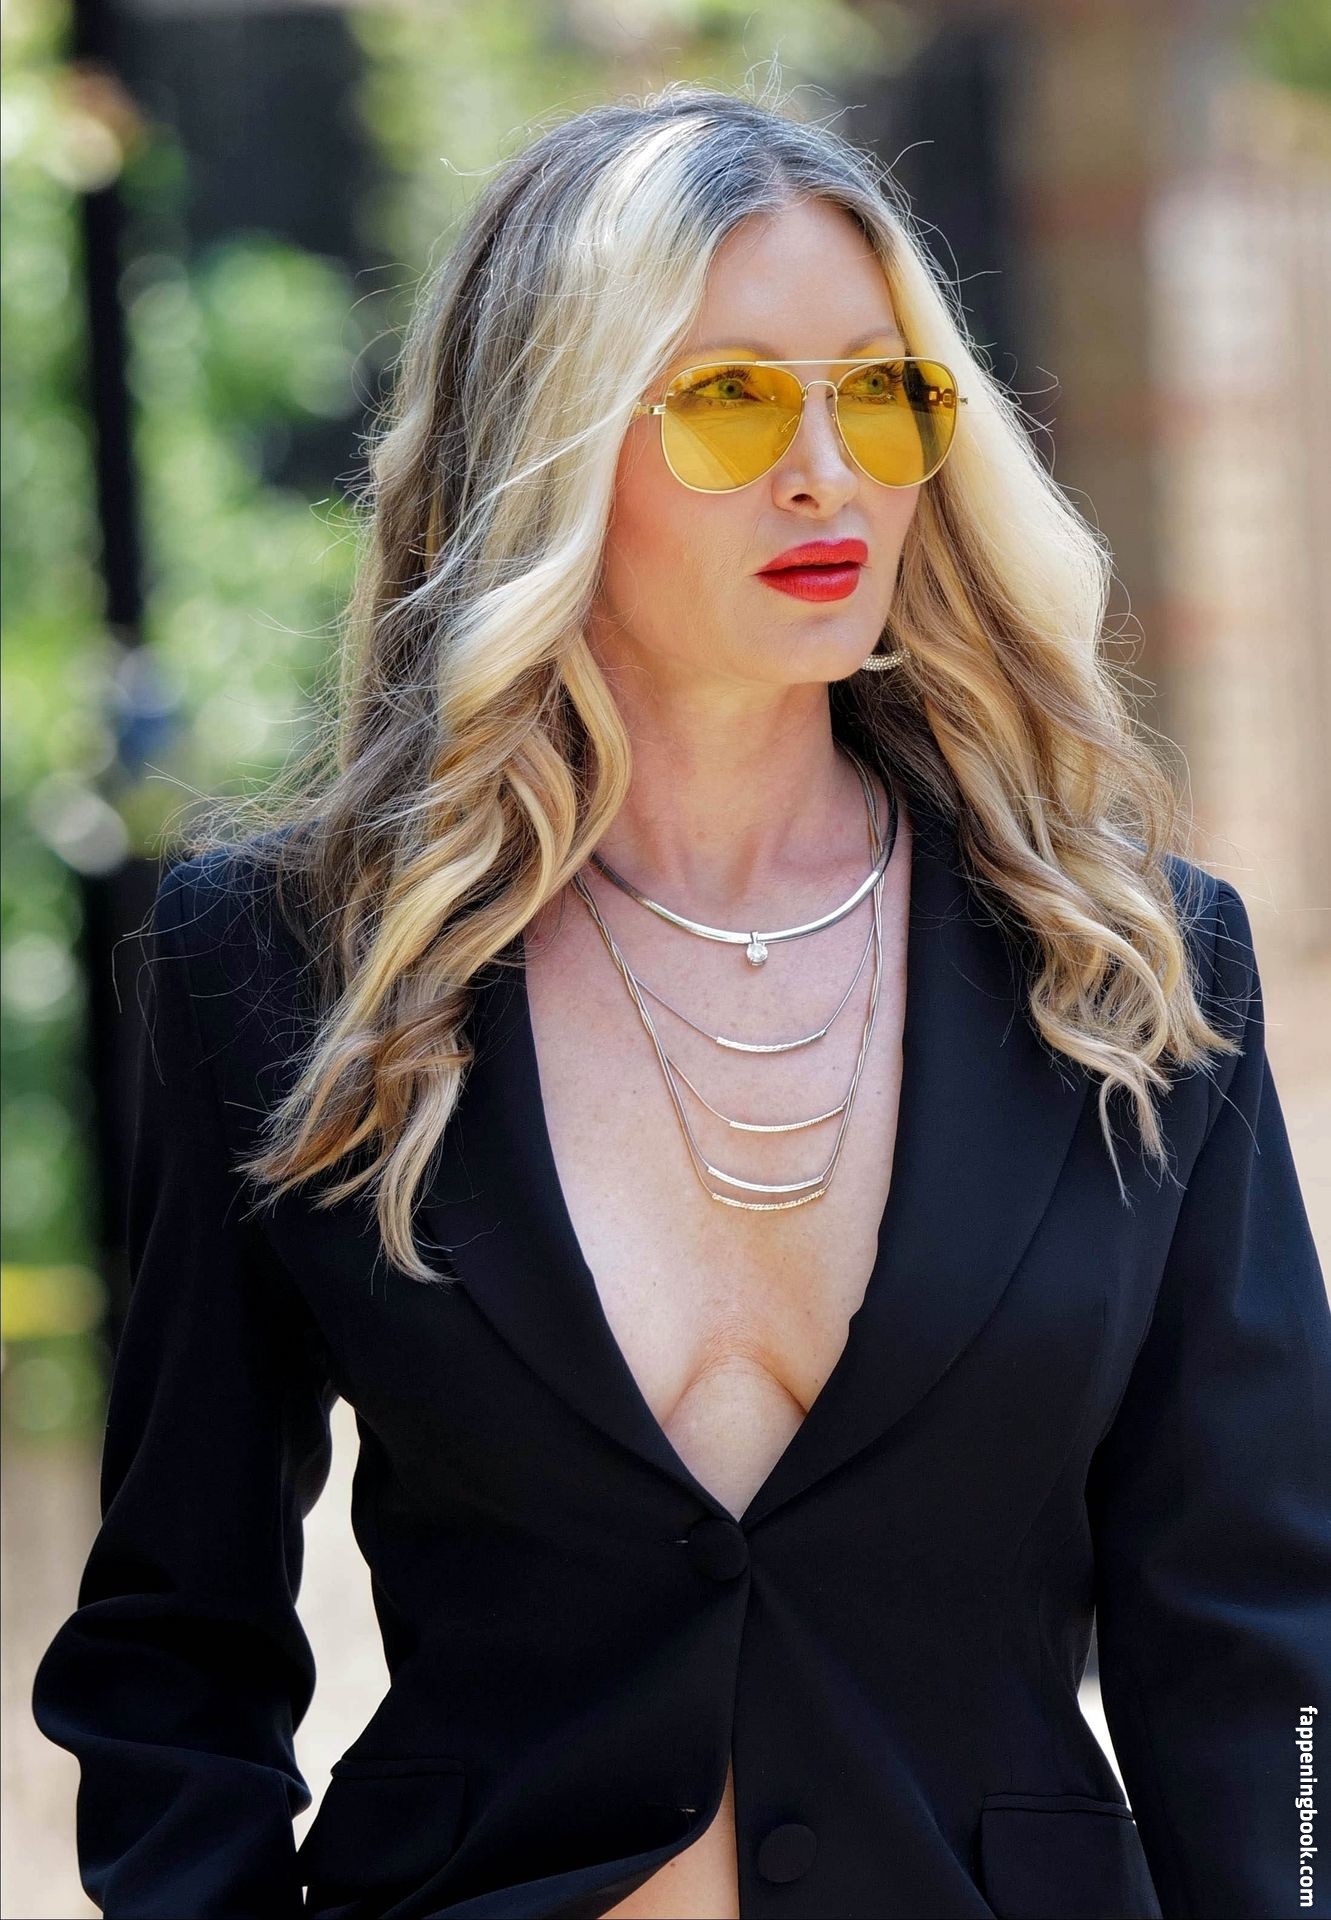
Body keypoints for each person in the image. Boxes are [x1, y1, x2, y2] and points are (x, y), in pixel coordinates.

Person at [31, 80, 1331, 1920]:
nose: (827, 473)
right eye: (728, 400)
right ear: (549, 445)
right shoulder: (291, 966)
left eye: (879, 394)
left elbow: (1263, 1644)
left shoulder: (1125, 970)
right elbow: (176, 1646)